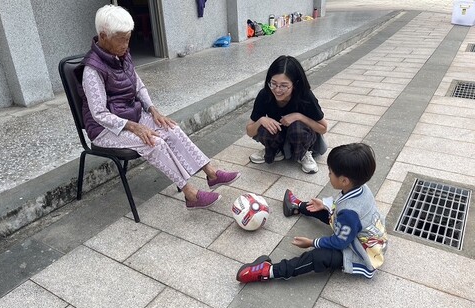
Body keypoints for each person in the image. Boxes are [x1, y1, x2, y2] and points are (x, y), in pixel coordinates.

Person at [78, 5, 239, 209]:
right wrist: (134, 126)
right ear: (103, 36)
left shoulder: (121, 55)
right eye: (122, 39)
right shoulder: (92, 70)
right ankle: (190, 194)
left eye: (128, 38)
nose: (127, 44)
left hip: (131, 116)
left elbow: (138, 85)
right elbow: (99, 114)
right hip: (105, 129)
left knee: (171, 129)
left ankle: (212, 173)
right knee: (156, 143)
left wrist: (152, 109)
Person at [236, 143, 388, 283]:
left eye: (330, 172)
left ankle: (268, 271)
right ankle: (296, 206)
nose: (328, 175)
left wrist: (312, 242)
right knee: (324, 209)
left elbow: (340, 242)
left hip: (360, 251)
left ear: (344, 181)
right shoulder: (361, 187)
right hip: (357, 231)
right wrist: (326, 206)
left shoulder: (349, 213)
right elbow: (344, 209)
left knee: (319, 257)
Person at [246, 55, 327, 174]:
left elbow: (323, 128)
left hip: (301, 136)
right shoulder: (265, 95)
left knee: (297, 127)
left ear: (295, 84)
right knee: (264, 126)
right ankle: (275, 150)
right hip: (279, 135)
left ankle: (304, 153)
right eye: (273, 83)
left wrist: (299, 116)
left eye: (284, 86)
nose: (277, 90)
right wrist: (261, 120)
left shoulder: (305, 96)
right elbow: (249, 130)